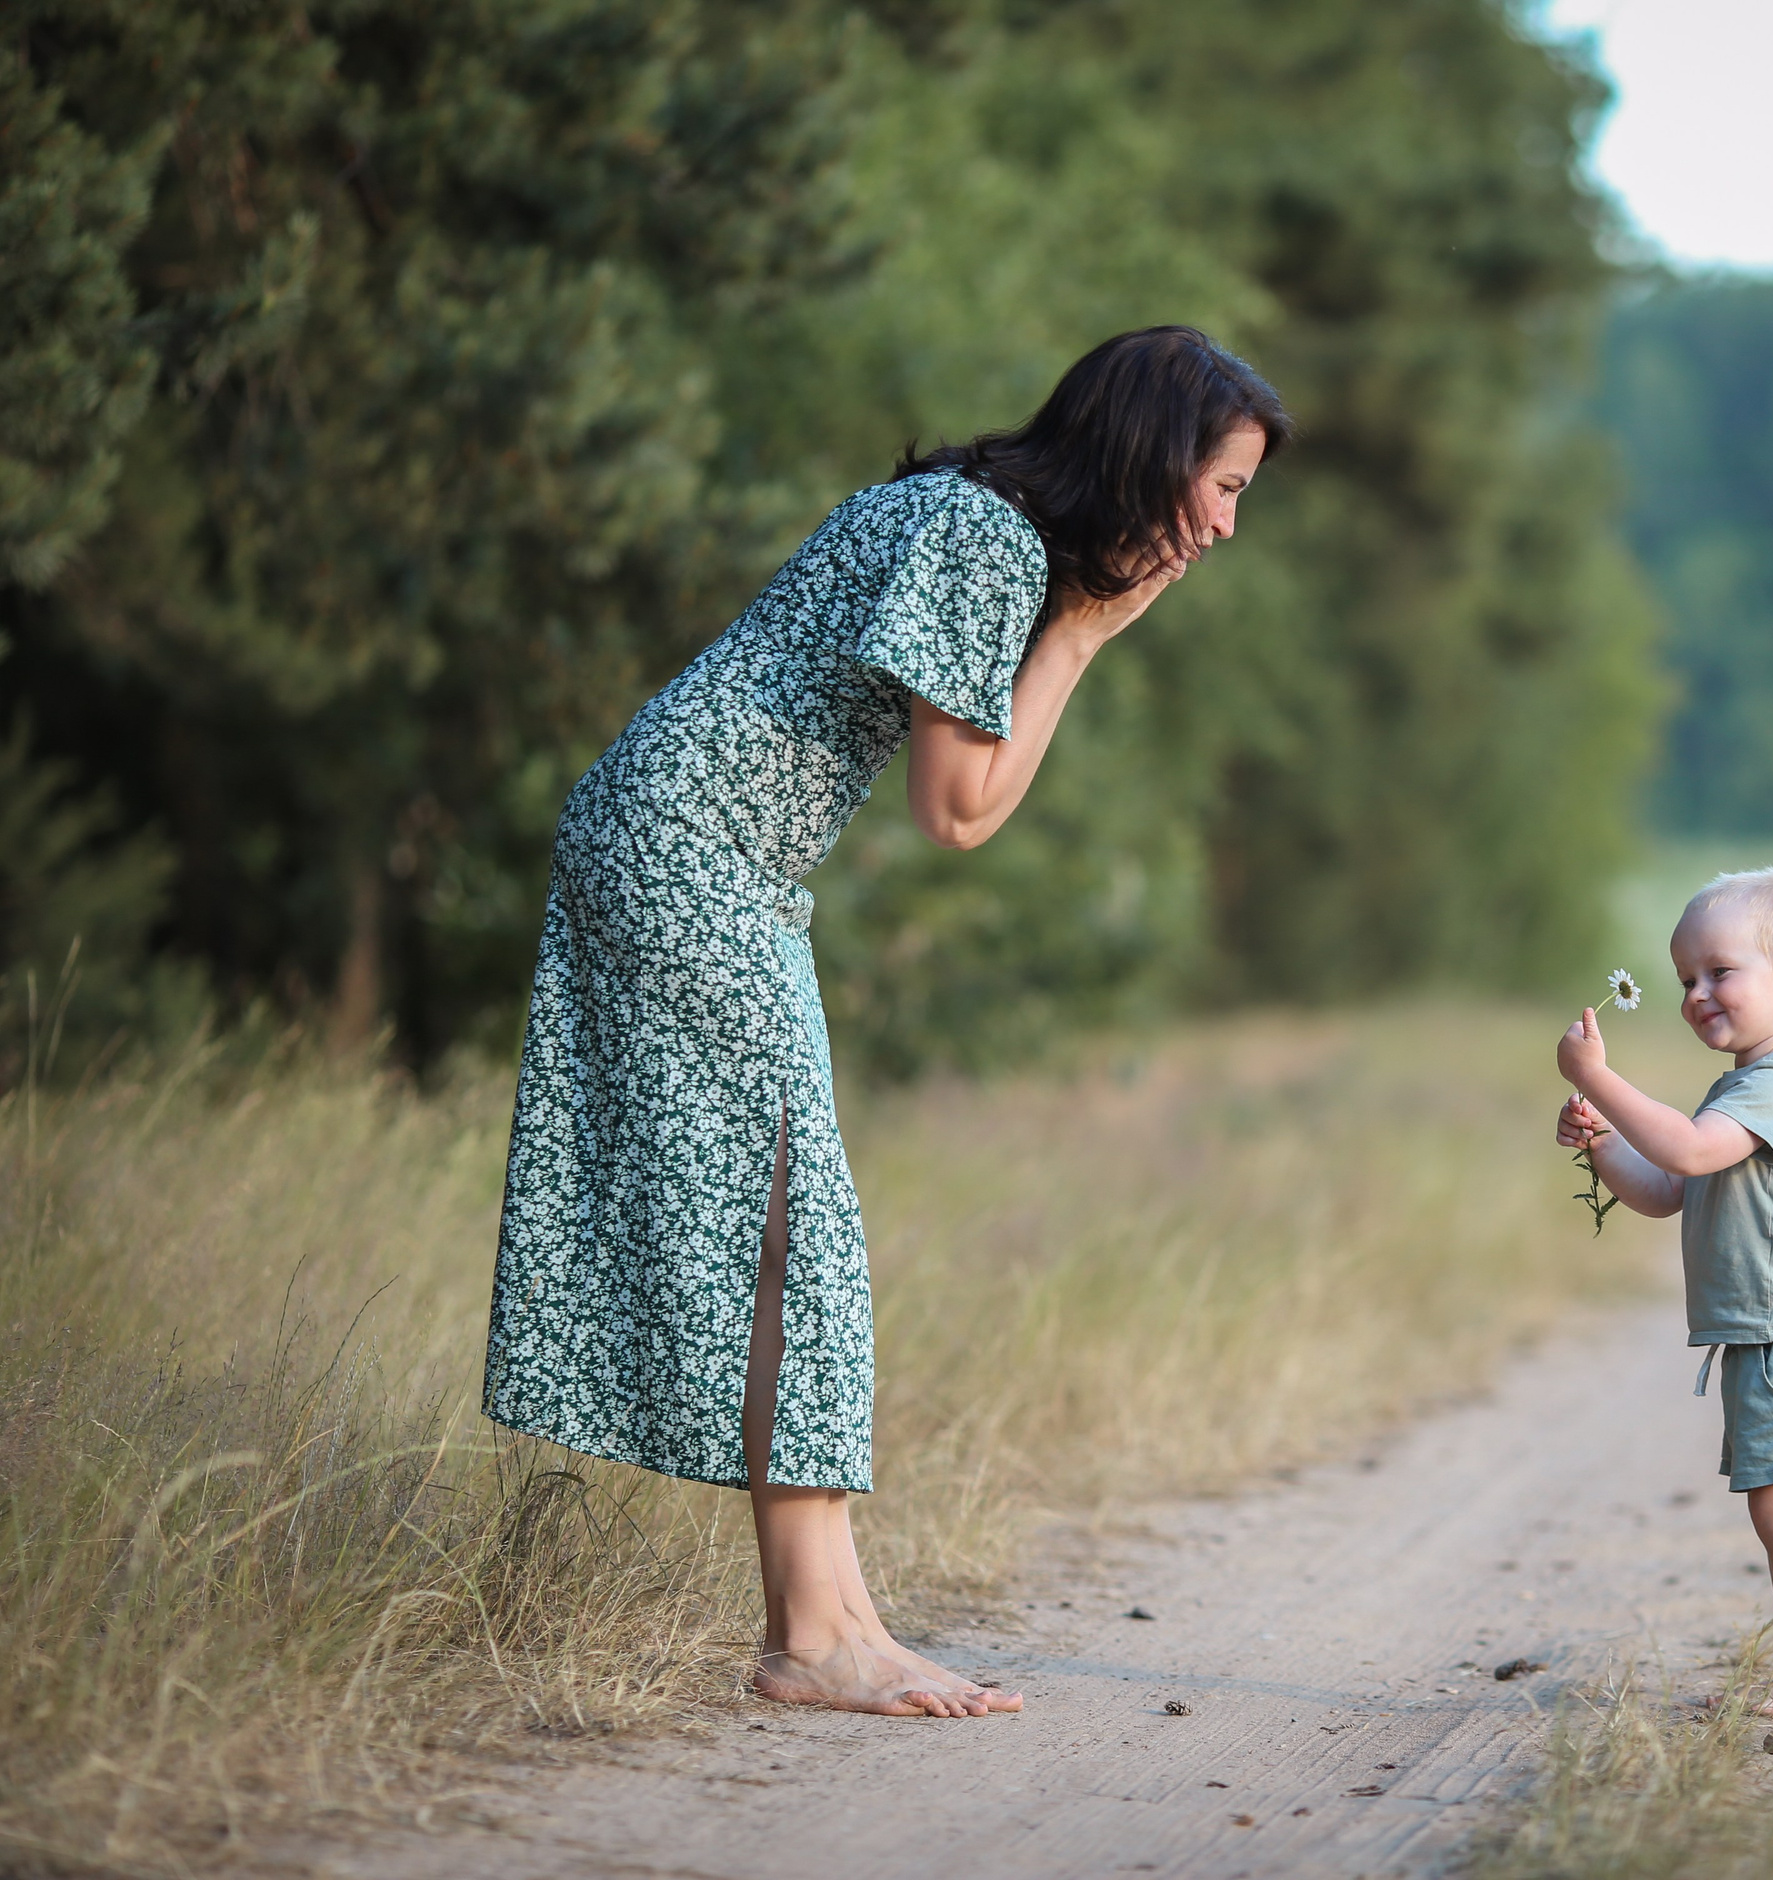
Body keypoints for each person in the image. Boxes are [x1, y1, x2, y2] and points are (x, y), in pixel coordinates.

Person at [483, 327, 1292, 1717]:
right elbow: (960, 810)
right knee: (796, 1229)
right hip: (691, 852)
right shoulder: (986, 544)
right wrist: (1086, 635)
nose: (1224, 525)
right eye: (1220, 487)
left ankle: (840, 1614)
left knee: (796, 1223)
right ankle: (813, 1638)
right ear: (1148, 457)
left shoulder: (965, 517)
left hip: (699, 851)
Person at [1553, 868, 1773, 1724]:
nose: (1696, 995)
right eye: (1683, 981)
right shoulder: (1742, 1089)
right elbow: (1670, 1187)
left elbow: (1692, 1154)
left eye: (1718, 972)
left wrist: (1600, 1082)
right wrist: (1601, 1149)